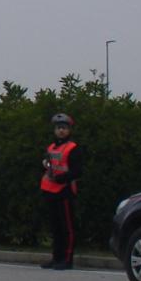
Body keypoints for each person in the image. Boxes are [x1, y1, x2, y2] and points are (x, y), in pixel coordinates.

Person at [38, 112, 84, 270]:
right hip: (50, 191)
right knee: (55, 227)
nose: (61, 131)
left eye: (64, 128)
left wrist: (62, 178)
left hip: (65, 191)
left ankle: (67, 259)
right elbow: (49, 166)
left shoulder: (73, 148)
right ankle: (56, 257)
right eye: (58, 128)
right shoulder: (51, 147)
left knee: (67, 227)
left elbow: (77, 171)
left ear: (69, 130)